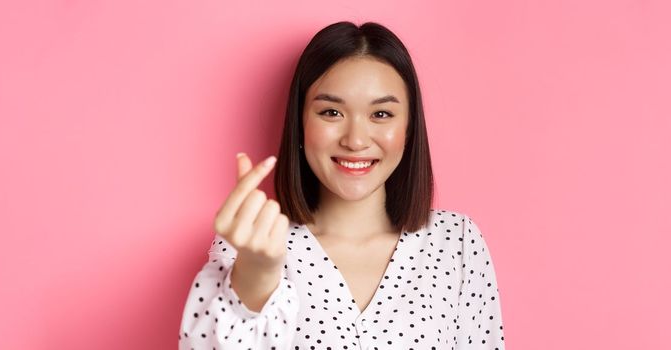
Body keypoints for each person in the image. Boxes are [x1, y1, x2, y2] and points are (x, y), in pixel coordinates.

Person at [179, 21, 505, 349]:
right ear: (301, 123)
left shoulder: (457, 242)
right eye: (332, 112)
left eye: (381, 115)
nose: (355, 140)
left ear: (408, 128)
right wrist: (257, 277)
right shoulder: (250, 246)